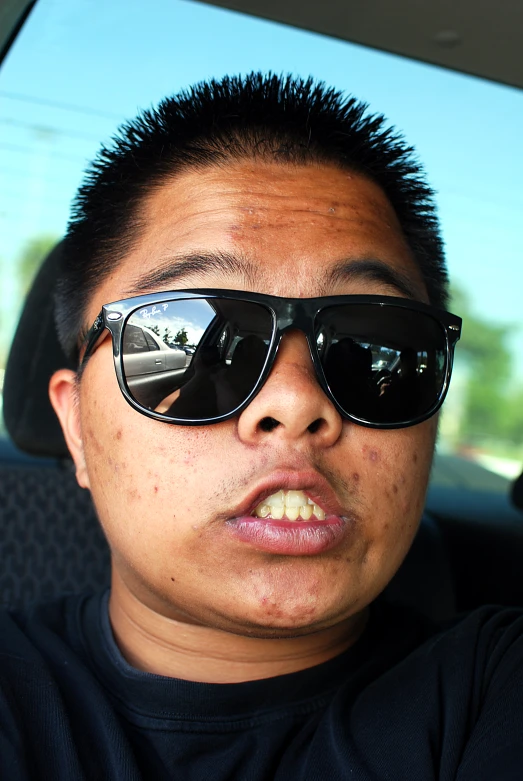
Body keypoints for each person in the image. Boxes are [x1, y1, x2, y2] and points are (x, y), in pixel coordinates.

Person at [1, 72, 522, 780]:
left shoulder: (493, 689)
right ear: (76, 426)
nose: (295, 400)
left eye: (377, 347)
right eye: (195, 339)